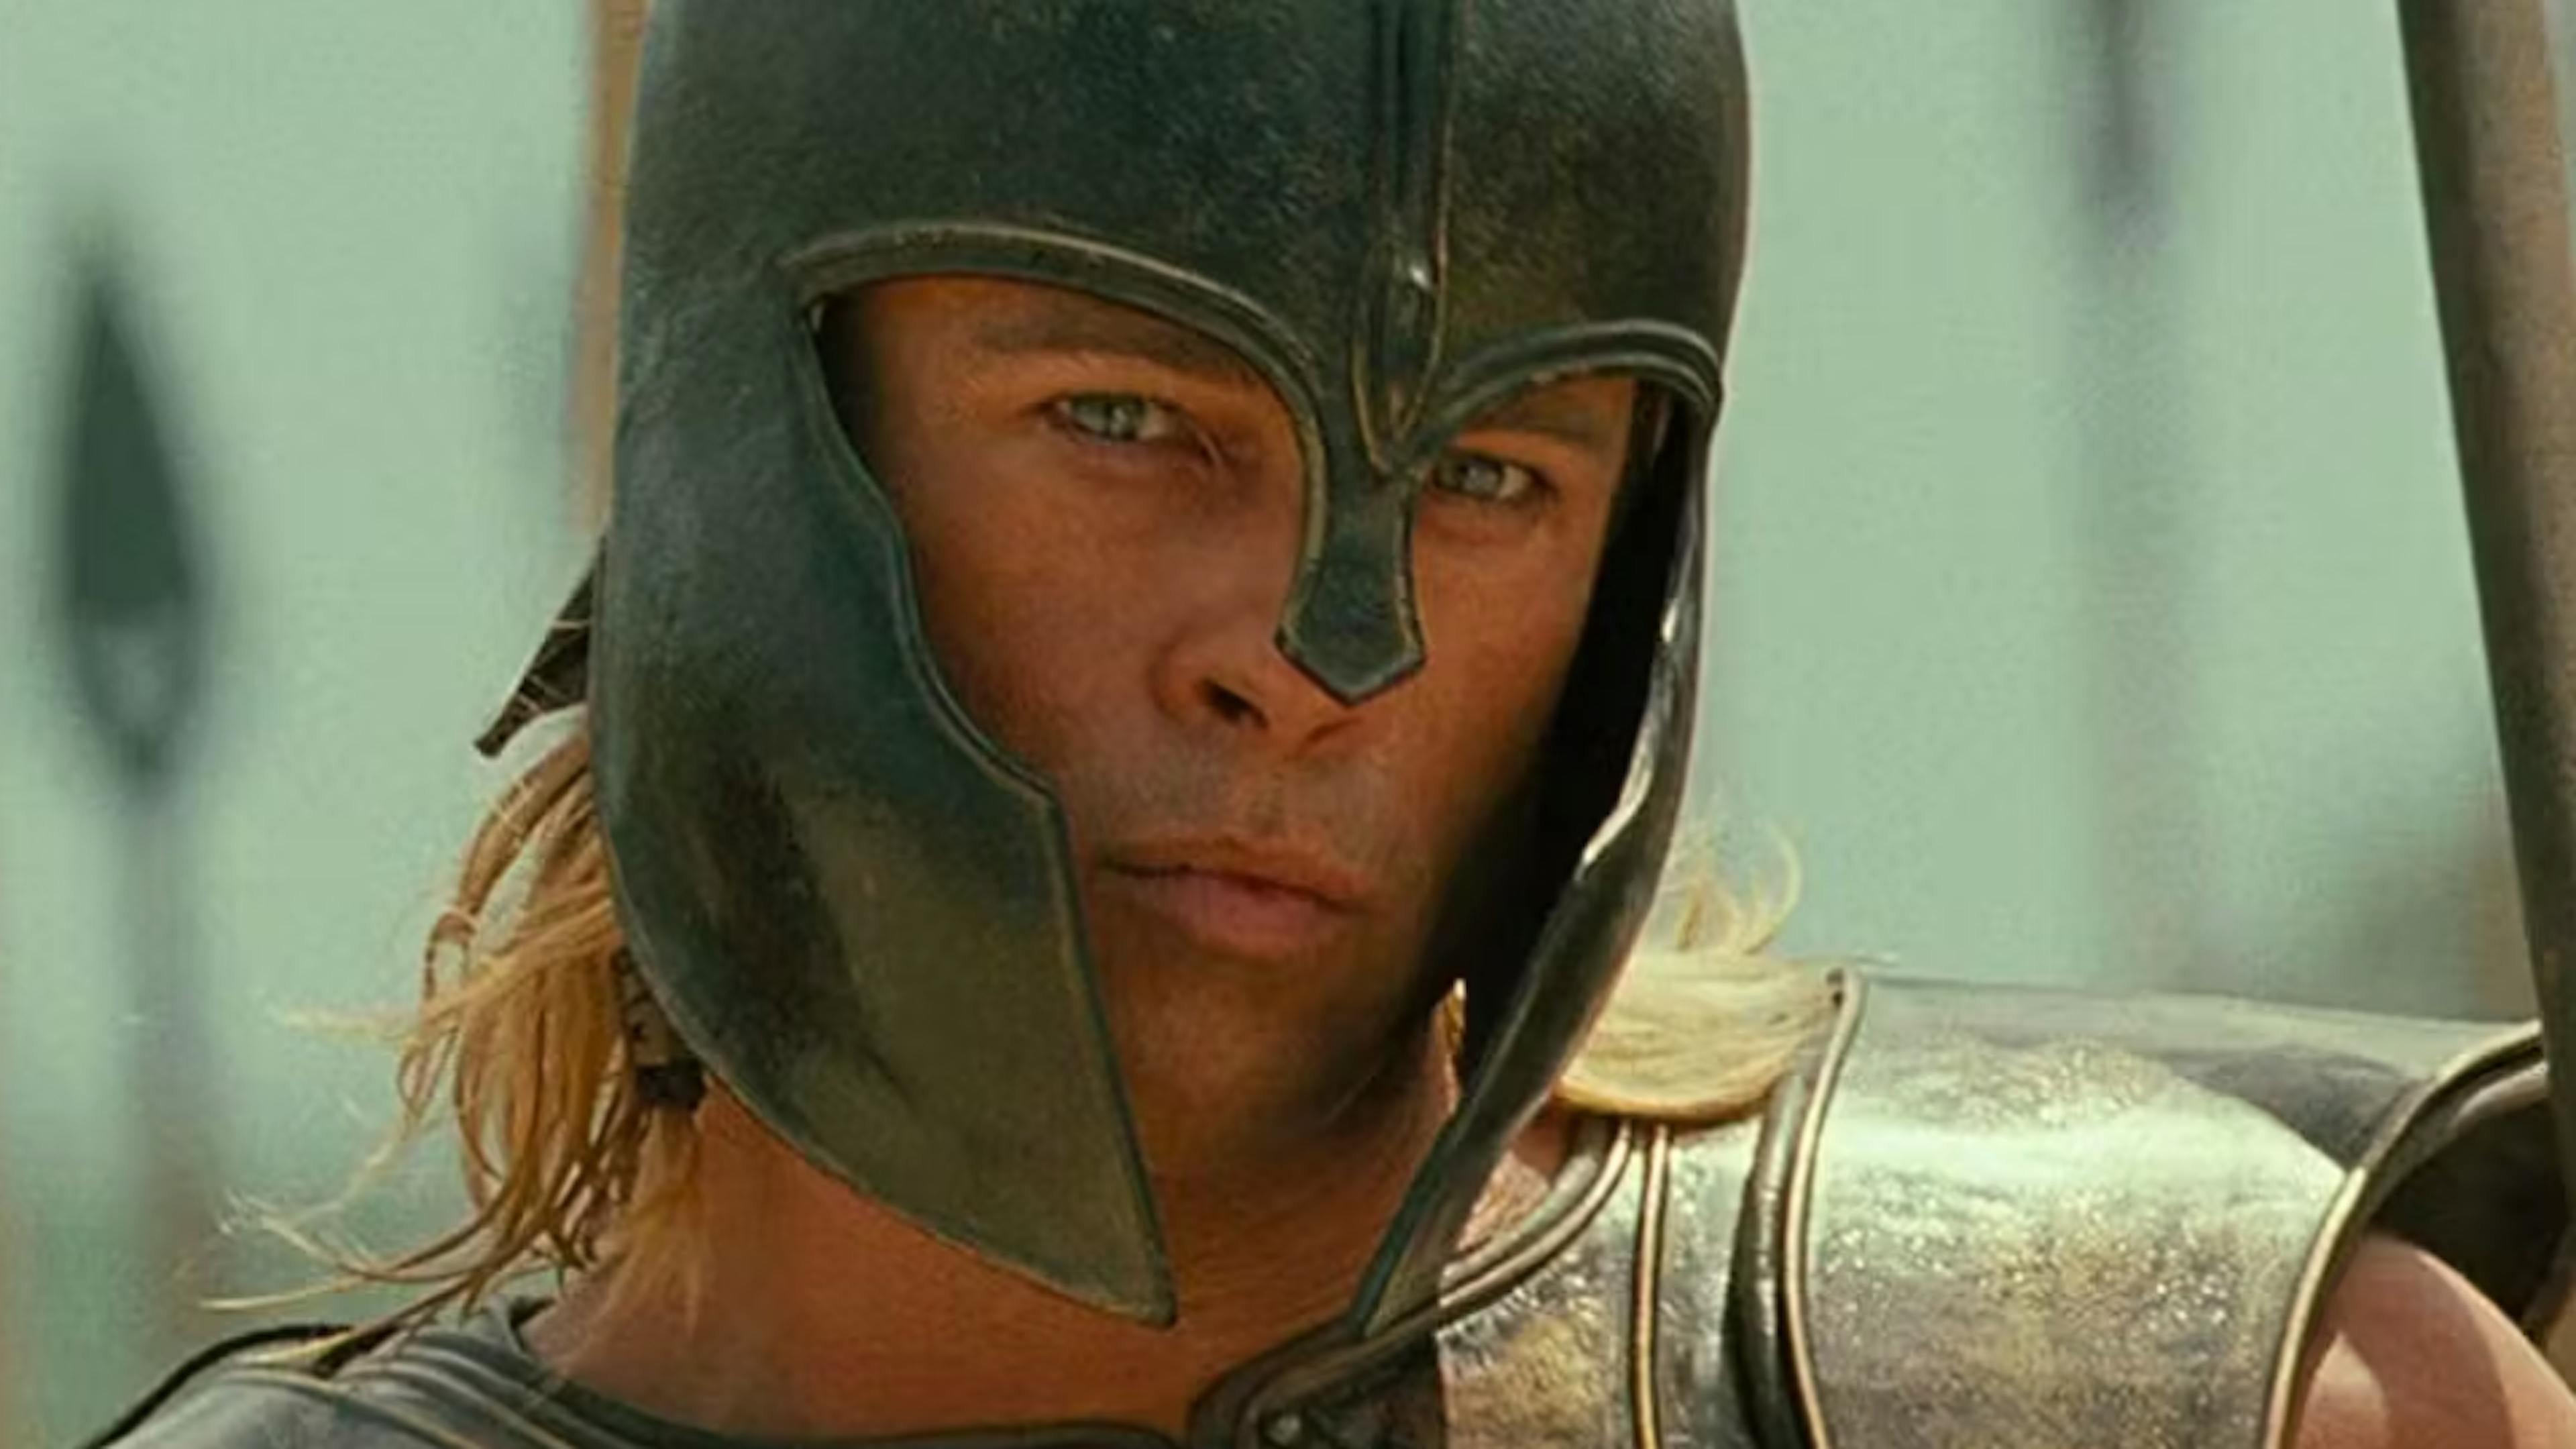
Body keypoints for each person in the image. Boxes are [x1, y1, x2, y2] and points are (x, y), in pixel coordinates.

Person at [95, 3, 2576, 1446]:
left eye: (1492, 473)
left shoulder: (2165, 1394)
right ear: (762, 441)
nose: (1320, 651)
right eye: (1123, 421)